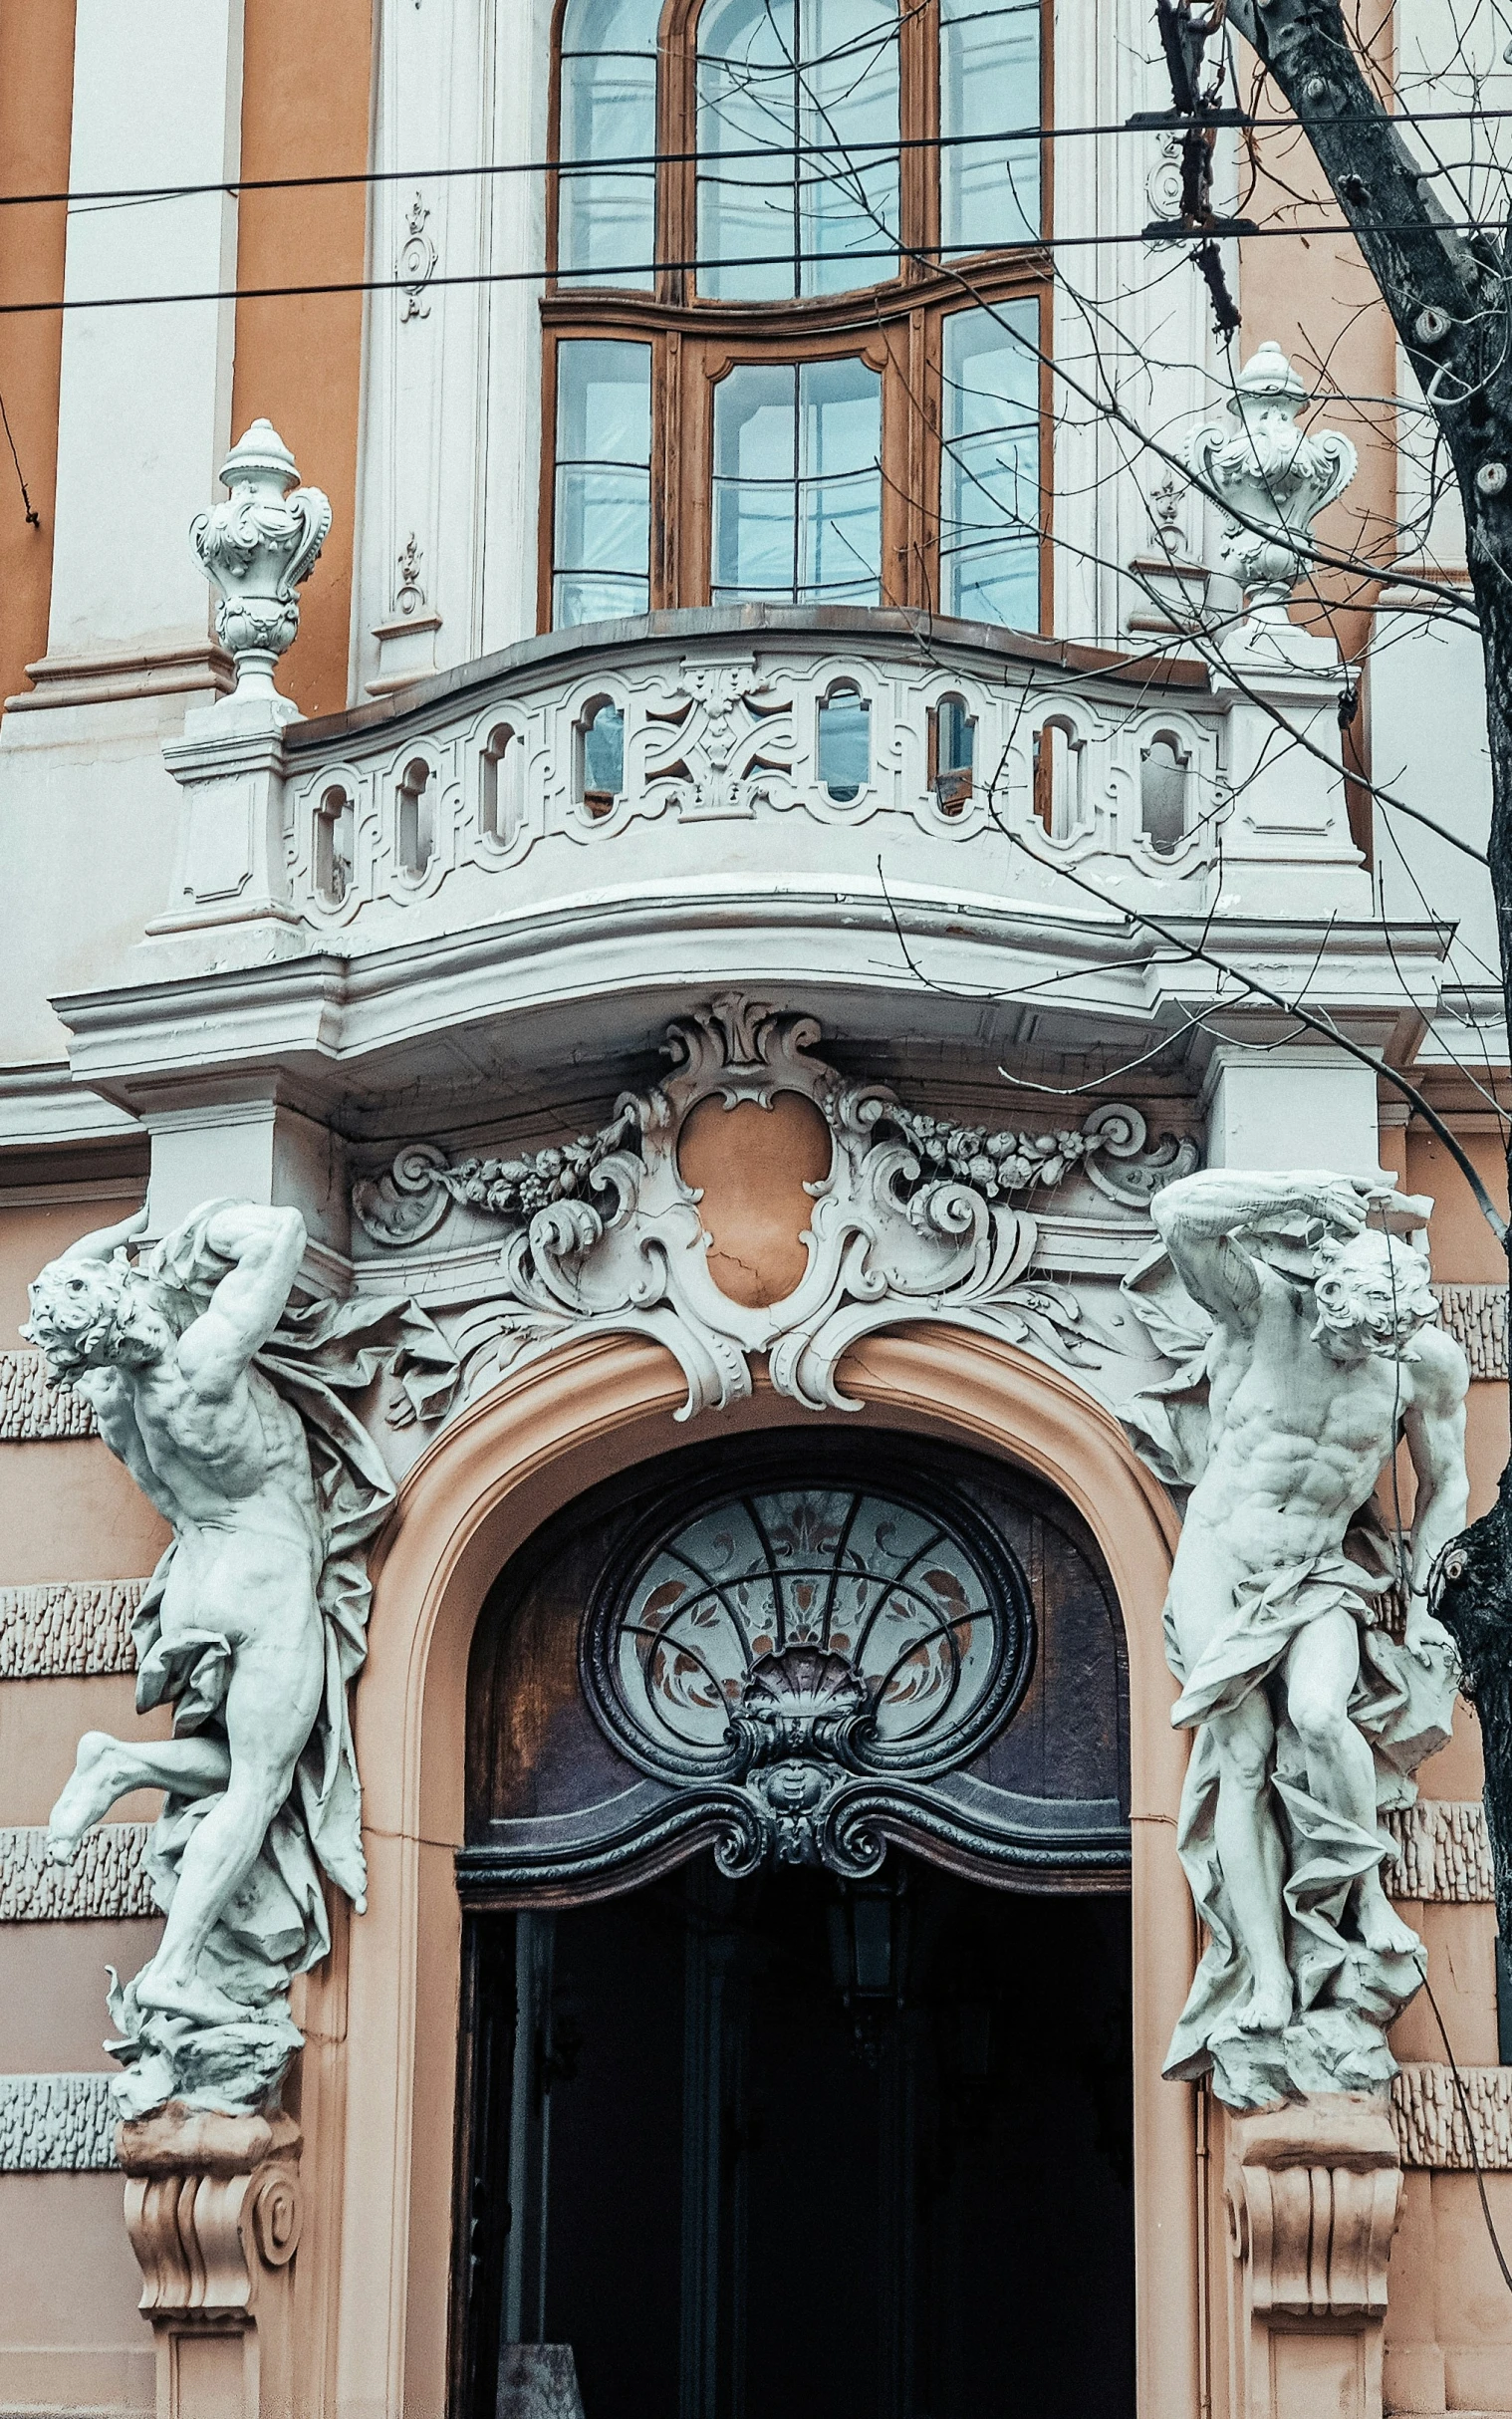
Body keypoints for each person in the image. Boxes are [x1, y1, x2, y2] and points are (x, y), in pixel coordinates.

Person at [1150, 1169, 1467, 2087]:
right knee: (1243, 1762)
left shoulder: (1425, 1366)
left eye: (1368, 1337)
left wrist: (1433, 1600)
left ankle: (1365, 1897)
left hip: (1321, 1569)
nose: (1345, 1344)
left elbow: (1444, 1486)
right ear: (1325, 1291)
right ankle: (1272, 1975)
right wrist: (1303, 1190)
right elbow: (1176, 1214)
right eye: (1340, 1322)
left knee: (1326, 1717)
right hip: (1223, 1562)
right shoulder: (1266, 1311)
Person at [31, 1203, 328, 2033]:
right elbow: (281, 1230)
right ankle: (174, 1968)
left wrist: (108, 1255)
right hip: (262, 1575)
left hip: (194, 1583)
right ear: (129, 1297)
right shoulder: (199, 1368)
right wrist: (178, 1238)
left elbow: (70, 1284)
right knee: (261, 1786)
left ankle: (120, 1762)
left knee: (240, 1766)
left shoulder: (113, 1400)